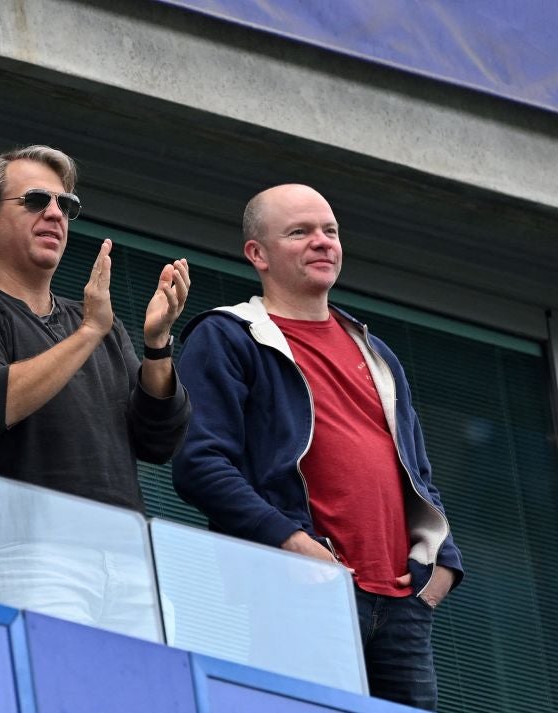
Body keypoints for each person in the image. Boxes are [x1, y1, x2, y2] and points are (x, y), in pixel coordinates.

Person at [172, 184, 463, 710]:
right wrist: (291, 544)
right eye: (299, 232)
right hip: (298, 591)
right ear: (257, 254)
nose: (322, 242)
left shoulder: (377, 353)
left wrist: (442, 566)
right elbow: (198, 464)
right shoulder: (229, 336)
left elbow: (418, 473)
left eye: (329, 231)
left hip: (403, 605)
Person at [0, 145, 191, 638]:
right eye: (37, 200)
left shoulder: (102, 327)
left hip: (130, 563)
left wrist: (157, 344)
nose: (56, 213)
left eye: (67, 205)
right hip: (26, 555)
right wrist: (87, 333)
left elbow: (158, 440)